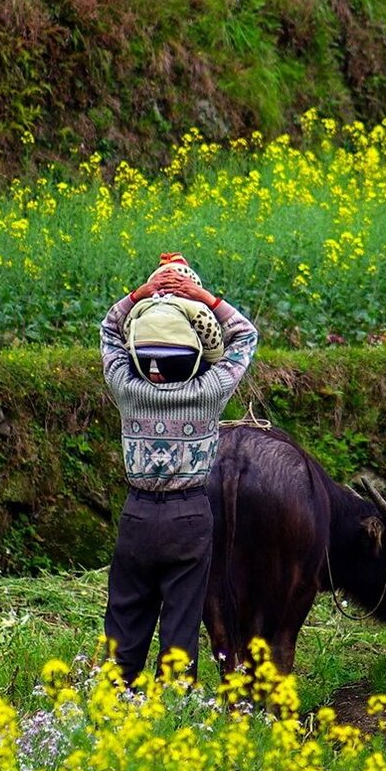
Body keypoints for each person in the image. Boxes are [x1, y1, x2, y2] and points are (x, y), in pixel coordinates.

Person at [100, 251, 259, 686]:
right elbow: (245, 336)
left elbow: (109, 332)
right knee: (182, 617)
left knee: (126, 615)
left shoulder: (128, 389)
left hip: (137, 513)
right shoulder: (209, 391)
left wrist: (140, 295)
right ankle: (172, 705)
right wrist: (202, 297)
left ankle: (115, 699)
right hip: (189, 515)